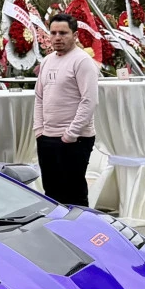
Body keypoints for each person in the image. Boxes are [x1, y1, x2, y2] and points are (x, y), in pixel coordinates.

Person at [33, 14, 99, 206]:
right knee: (51, 191)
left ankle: (81, 232)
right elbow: (39, 97)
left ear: (75, 35)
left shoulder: (82, 61)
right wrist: (39, 130)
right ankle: (57, 231)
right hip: (47, 137)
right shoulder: (47, 61)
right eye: (53, 33)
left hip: (74, 139)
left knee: (73, 192)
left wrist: (71, 134)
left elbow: (89, 101)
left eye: (63, 33)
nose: (57, 37)